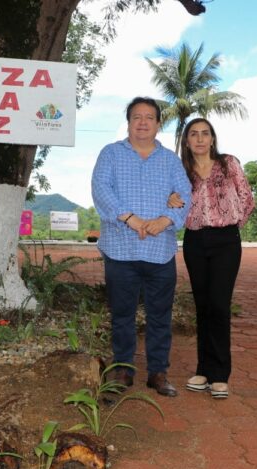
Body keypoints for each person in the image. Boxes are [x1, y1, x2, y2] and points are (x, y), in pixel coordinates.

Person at [91, 97, 193, 397]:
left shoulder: (171, 161)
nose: (143, 122)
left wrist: (164, 220)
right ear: (128, 122)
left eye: (150, 117)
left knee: (160, 315)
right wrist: (132, 219)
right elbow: (101, 190)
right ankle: (123, 370)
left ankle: (158, 373)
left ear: (159, 124)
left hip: (159, 252)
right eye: (137, 117)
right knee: (122, 314)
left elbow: (184, 193)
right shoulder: (110, 154)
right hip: (120, 250)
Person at [169, 118, 254, 399]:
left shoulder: (229, 164)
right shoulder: (182, 171)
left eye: (205, 133)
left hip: (226, 241)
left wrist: (229, 223)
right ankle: (203, 370)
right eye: (194, 134)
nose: (200, 139)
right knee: (203, 306)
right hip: (195, 241)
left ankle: (220, 375)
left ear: (213, 139)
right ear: (187, 141)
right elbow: (173, 201)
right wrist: (170, 201)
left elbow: (247, 199)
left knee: (219, 305)